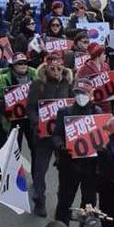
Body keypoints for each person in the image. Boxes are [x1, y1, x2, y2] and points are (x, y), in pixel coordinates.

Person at [27, 54, 73, 218]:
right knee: (41, 169)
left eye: (59, 68)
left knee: (65, 170)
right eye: (52, 68)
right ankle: (40, 199)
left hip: (62, 135)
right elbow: (30, 108)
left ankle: (63, 200)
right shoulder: (39, 84)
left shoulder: (68, 84)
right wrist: (37, 123)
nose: (56, 71)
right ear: (46, 68)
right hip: (44, 135)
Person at [52, 80, 101, 226]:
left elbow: (102, 138)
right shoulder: (64, 112)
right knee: (65, 199)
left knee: (89, 201)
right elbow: (56, 135)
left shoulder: (97, 113)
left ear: (91, 94)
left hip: (90, 166)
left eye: (84, 93)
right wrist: (61, 146)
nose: (80, 96)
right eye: (78, 93)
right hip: (69, 164)